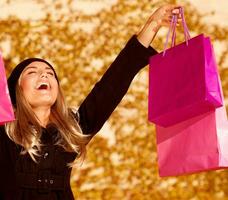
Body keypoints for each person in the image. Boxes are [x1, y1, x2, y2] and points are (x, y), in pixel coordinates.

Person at [0, 4, 182, 200]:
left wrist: (153, 24)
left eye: (50, 73)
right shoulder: (5, 130)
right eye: (32, 72)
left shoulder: (72, 129)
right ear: (16, 90)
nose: (44, 74)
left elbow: (112, 84)